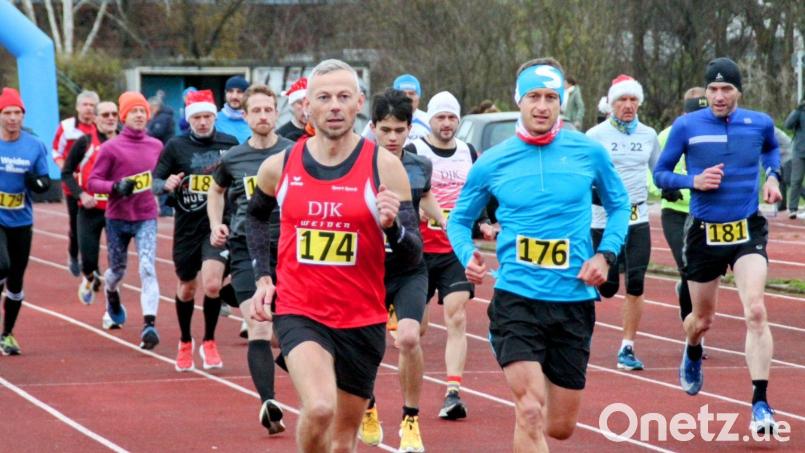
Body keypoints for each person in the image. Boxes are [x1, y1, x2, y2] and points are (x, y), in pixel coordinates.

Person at [447, 58, 629, 450]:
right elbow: (457, 222)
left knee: (559, 426)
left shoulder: (588, 152)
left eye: (551, 97)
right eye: (534, 96)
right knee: (529, 408)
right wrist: (467, 255)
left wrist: (605, 256)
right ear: (519, 100)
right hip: (517, 299)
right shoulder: (494, 161)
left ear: (562, 101)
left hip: (572, 300)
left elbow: (619, 206)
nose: (542, 106)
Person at [247, 59, 421, 452]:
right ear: (307, 106)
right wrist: (263, 278)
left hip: (363, 317)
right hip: (300, 312)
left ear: (359, 102)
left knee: (343, 441)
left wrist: (394, 227)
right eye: (324, 97)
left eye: (344, 97)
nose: (335, 106)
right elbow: (254, 217)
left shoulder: (385, 167)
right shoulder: (280, 166)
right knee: (320, 407)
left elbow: (412, 259)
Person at [654, 57, 783, 433]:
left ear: (739, 91)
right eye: (712, 89)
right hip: (705, 234)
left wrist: (773, 178)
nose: (719, 96)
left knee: (756, 310)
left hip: (747, 230)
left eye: (726, 89)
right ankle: (692, 348)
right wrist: (694, 181)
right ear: (706, 91)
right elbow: (661, 174)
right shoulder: (686, 126)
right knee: (701, 320)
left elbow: (773, 150)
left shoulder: (759, 123)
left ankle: (760, 401)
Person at [358, 88, 445, 452]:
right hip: (367, 271)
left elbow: (424, 195)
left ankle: (410, 419)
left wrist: (448, 226)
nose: (393, 138)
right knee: (366, 347)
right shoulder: (357, 164)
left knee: (409, 337)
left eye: (400, 130)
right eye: (386, 130)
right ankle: (368, 404)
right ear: (373, 127)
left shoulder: (419, 164)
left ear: (410, 128)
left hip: (410, 266)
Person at [404, 90, 495, 420]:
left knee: (457, 316)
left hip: (455, 250)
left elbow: (477, 194)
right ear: (431, 120)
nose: (446, 123)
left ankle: (453, 391)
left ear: (459, 120)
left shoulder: (469, 152)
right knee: (418, 329)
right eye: (440, 117)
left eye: (452, 117)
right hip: (417, 252)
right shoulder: (414, 151)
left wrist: (483, 223)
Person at [208, 84, 293, 434]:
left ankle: (288, 358)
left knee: (292, 330)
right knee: (259, 324)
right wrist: (217, 224)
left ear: (276, 113)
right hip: (246, 249)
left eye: (267, 110)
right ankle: (268, 403)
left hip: (289, 250)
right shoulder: (234, 158)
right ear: (245, 116)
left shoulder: (294, 153)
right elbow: (216, 189)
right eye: (254, 110)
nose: (262, 116)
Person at [154, 89, 239, 371]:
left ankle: (210, 341)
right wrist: (165, 185)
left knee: (213, 284)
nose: (203, 122)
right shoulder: (176, 147)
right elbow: (156, 180)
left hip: (217, 225)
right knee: (188, 288)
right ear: (189, 120)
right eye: (197, 118)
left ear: (214, 116)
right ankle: (185, 341)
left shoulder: (229, 143)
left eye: (207, 117)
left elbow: (240, 179)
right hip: (187, 228)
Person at [586, 74, 660, 371]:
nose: (628, 105)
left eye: (633, 100)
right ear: (610, 104)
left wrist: (673, 184)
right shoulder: (595, 136)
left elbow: (660, 169)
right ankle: (580, 335)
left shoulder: (648, 135)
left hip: (637, 218)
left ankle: (627, 347)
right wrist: (593, 195)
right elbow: (583, 176)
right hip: (602, 220)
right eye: (622, 100)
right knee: (604, 286)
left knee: (637, 282)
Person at [88, 91, 163, 349]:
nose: (140, 115)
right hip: (118, 218)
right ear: (124, 117)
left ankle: (149, 325)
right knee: (117, 271)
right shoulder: (111, 148)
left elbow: (161, 177)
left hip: (146, 217)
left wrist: (165, 190)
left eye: (143, 111)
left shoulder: (156, 146)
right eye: (134, 111)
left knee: (147, 267)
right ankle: (111, 293)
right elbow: (93, 181)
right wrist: (116, 186)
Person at [0, 87, 52, 355]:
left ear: (23, 116)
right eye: (7, 113)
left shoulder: (34, 145)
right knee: (2, 265)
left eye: (16, 113)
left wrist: (38, 183)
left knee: (16, 281)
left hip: (21, 219)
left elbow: (45, 179)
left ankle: (7, 334)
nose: (12, 118)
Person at [651, 87, 707, 326]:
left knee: (702, 272)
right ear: (684, 113)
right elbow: (651, 174)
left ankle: (688, 292)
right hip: (675, 212)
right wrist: (664, 189)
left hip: (704, 211)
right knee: (688, 266)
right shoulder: (666, 136)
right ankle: (690, 326)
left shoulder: (714, 135)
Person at [62, 101, 120, 305]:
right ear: (95, 119)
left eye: (114, 114)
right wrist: (81, 195)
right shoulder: (85, 142)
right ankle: (88, 277)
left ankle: (112, 300)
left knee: (117, 262)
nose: (110, 118)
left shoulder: (125, 141)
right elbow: (66, 173)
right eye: (105, 115)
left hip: (117, 210)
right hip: (90, 209)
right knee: (88, 260)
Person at [52, 90, 100, 277]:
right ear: (78, 107)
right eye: (85, 104)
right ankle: (73, 254)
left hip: (96, 185)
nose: (88, 109)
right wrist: (66, 168)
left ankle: (92, 264)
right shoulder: (66, 127)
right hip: (73, 186)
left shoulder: (100, 126)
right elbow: (56, 151)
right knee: (76, 224)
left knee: (95, 225)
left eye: (92, 105)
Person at [362, 74, 430, 144]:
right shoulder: (379, 120)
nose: (407, 97)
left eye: (412, 93)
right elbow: (363, 145)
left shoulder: (428, 121)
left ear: (419, 97)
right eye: (403, 93)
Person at [783, 98, 805, 218]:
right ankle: (793, 209)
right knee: (796, 180)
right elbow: (787, 125)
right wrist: (797, 110)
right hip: (799, 152)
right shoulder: (800, 111)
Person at [216, 75, 251, 143]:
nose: (234, 96)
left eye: (239, 92)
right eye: (230, 91)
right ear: (225, 93)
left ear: (247, 95)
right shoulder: (215, 120)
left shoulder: (254, 120)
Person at [277, 77, 308, 142]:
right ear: (292, 105)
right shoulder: (281, 136)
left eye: (308, 103)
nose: (305, 107)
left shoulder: (322, 133)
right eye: (300, 103)